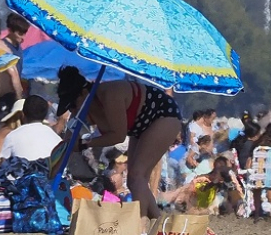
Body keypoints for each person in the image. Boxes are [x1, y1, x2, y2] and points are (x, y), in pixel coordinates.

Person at [53, 66, 183, 220]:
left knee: (136, 176)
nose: (74, 111)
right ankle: (159, 224)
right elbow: (74, 131)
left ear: (83, 93)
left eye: (73, 105)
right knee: (135, 182)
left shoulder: (109, 95)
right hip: (140, 125)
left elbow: (118, 136)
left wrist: (83, 144)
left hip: (164, 115)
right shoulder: (88, 105)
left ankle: (139, 230)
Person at [0, 95, 62, 162]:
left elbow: (2, 165)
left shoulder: (12, 136)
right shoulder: (57, 140)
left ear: (22, 115)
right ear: (45, 116)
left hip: (22, 172)